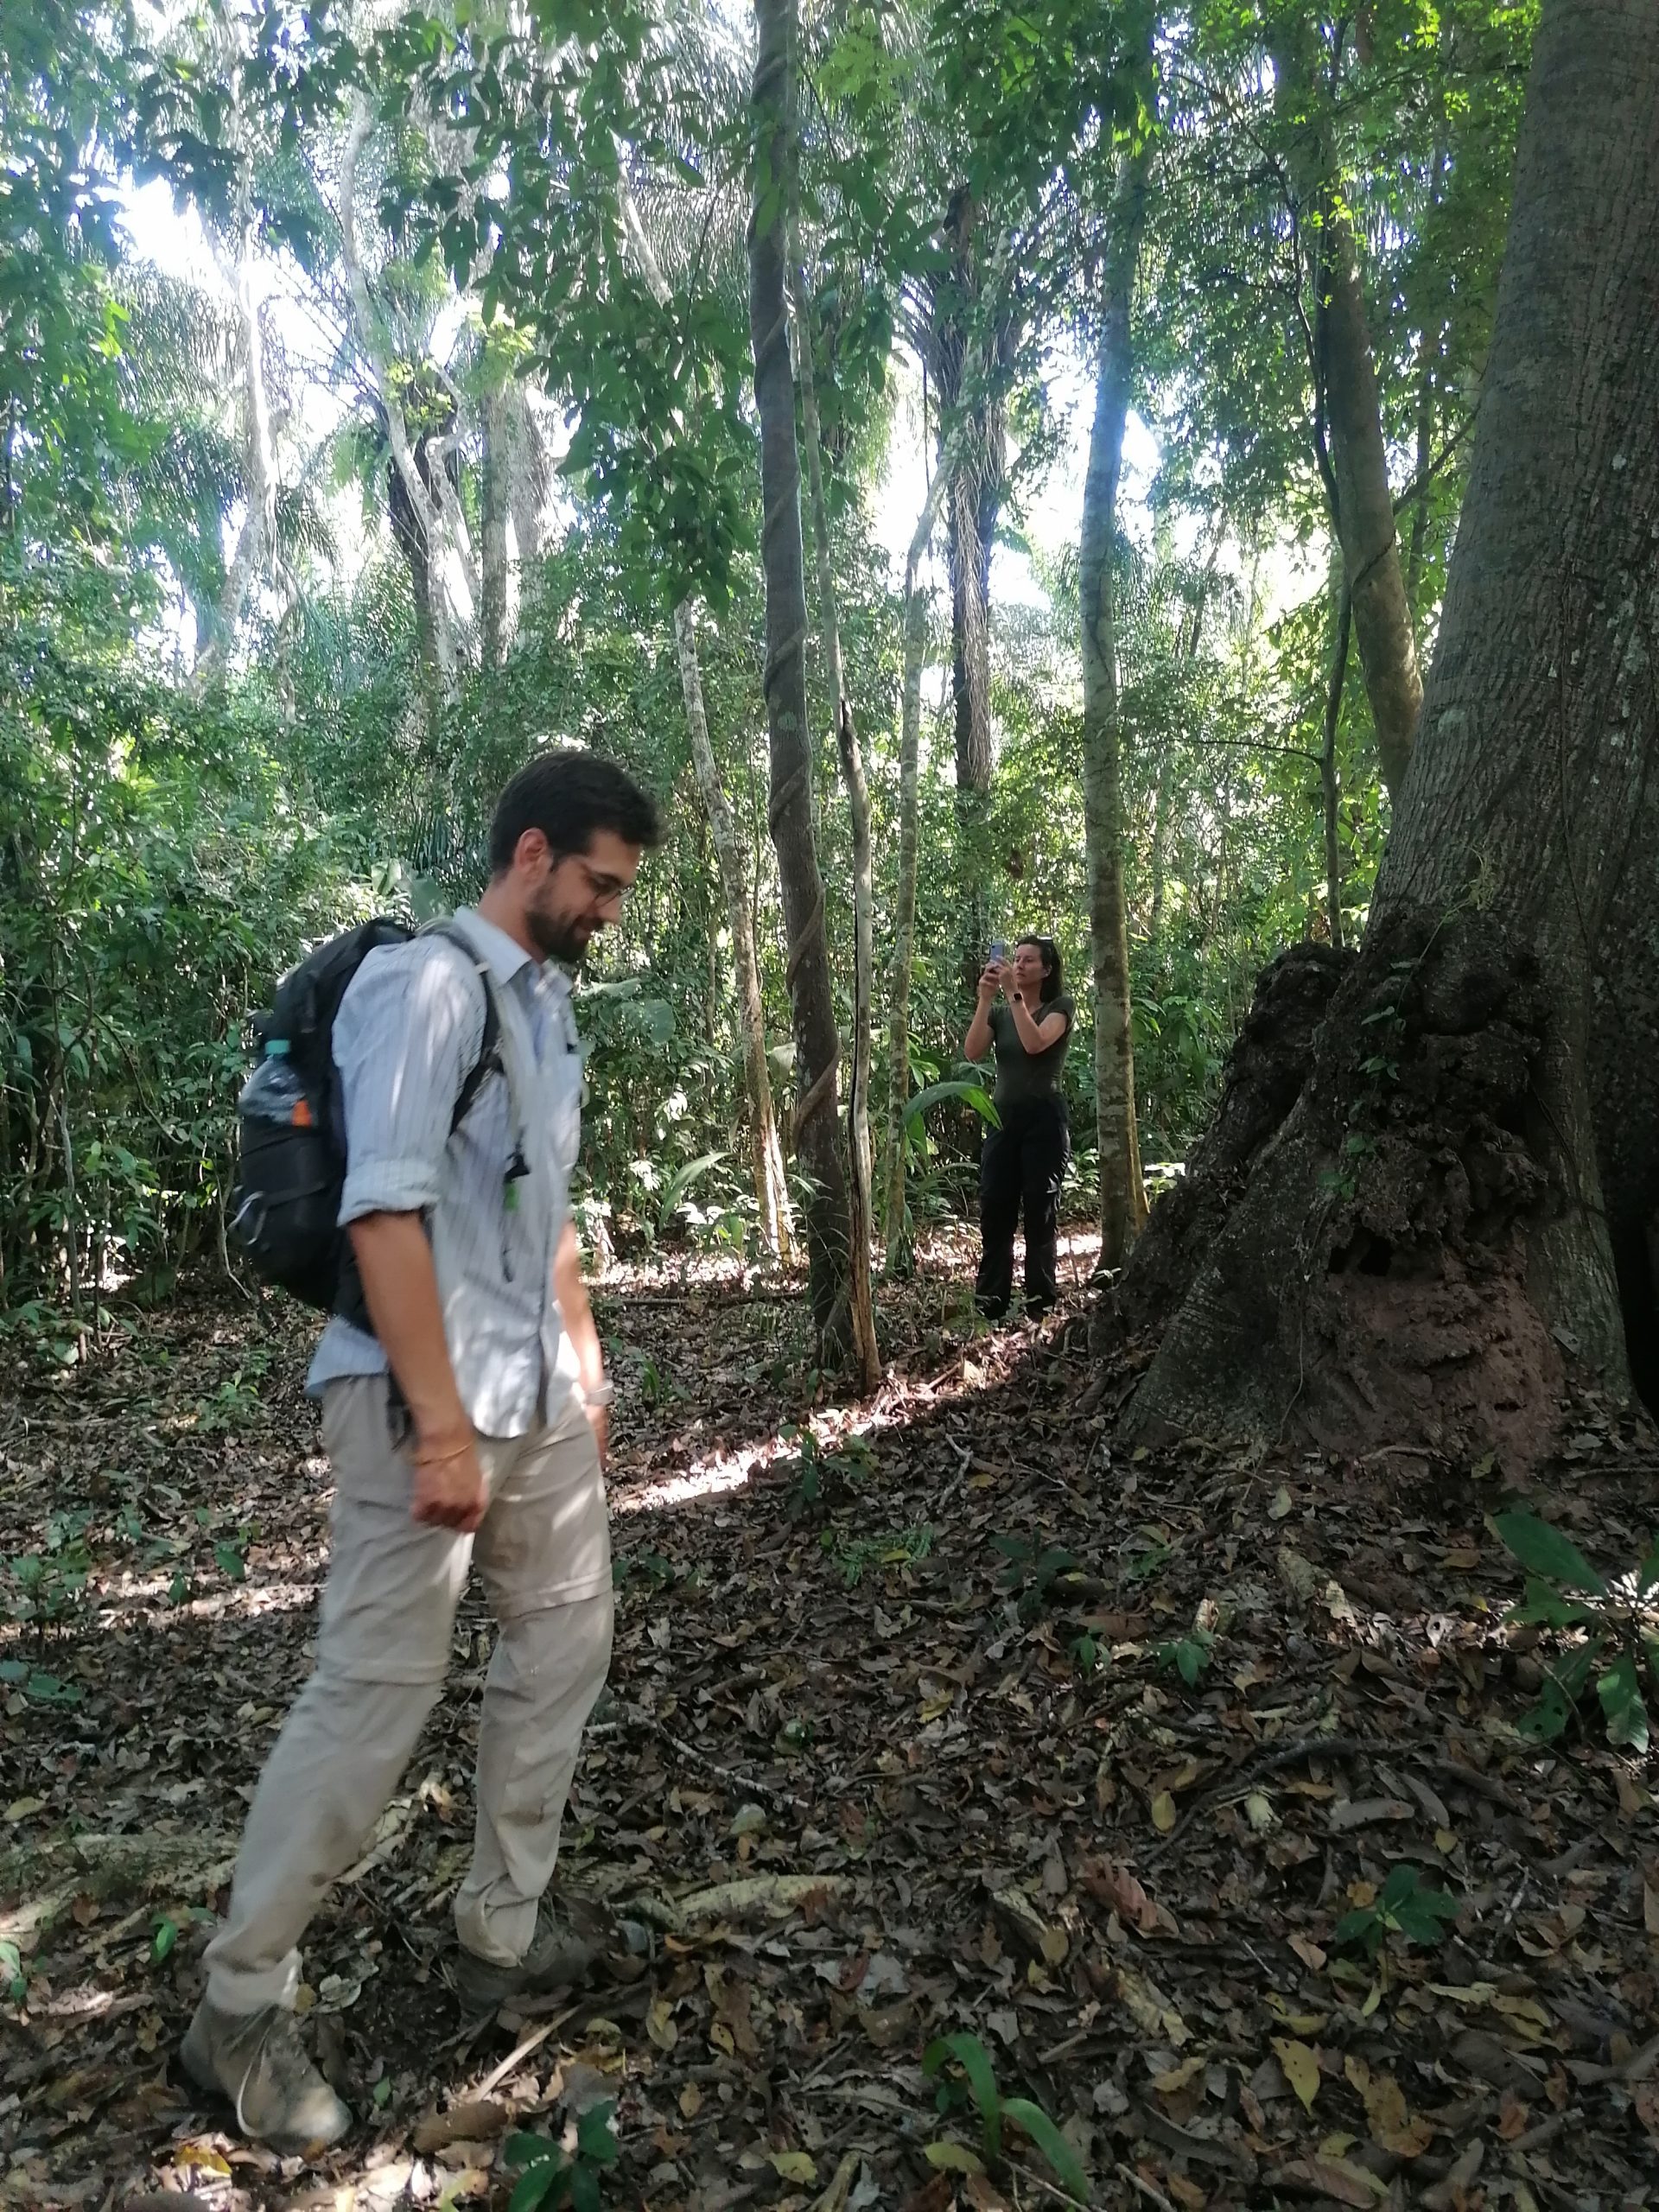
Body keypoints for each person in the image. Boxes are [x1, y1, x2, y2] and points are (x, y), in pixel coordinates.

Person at [181, 751, 663, 2153]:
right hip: (416, 1402)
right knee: (374, 1701)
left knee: (566, 1642)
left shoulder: (547, 1009)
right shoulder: (425, 987)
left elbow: (543, 1215)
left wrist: (585, 1367)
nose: (609, 911)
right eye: (600, 883)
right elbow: (382, 1215)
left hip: (533, 1399)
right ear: (531, 853)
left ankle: (501, 1928)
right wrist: (442, 1425)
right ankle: (237, 2009)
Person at [964, 933, 1074, 1320]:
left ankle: (1039, 1306)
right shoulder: (1000, 1012)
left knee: (1040, 1209)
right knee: (996, 1206)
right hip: (1002, 1119)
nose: (1019, 964)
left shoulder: (1060, 1007)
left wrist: (1012, 994)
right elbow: (972, 1051)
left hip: (1044, 1118)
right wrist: (985, 999)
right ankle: (991, 1305)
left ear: (1046, 969)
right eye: (1017, 958)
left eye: (1029, 960)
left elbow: (1035, 1043)